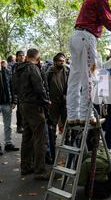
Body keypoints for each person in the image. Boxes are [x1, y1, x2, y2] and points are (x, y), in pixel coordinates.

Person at [13, 48, 50, 180]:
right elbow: (39, 87)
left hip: (23, 104)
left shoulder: (17, 69)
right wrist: (46, 102)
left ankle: (26, 166)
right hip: (34, 106)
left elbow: (15, 88)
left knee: (27, 137)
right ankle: (40, 170)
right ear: (37, 57)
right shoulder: (32, 68)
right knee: (40, 138)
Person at [46, 53, 69, 162]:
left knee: (67, 126)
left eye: (63, 60)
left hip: (64, 103)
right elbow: (45, 86)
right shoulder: (49, 72)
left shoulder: (67, 71)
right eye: (60, 60)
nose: (62, 62)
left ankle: (68, 150)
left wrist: (66, 95)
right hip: (53, 103)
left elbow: (70, 85)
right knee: (51, 128)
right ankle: (51, 152)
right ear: (55, 61)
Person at [12, 50, 25, 134]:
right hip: (18, 91)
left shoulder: (27, 66)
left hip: (26, 90)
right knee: (19, 110)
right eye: (20, 55)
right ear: (17, 57)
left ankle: (24, 125)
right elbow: (13, 79)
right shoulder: (15, 66)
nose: (22, 57)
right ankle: (19, 126)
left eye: (23, 55)